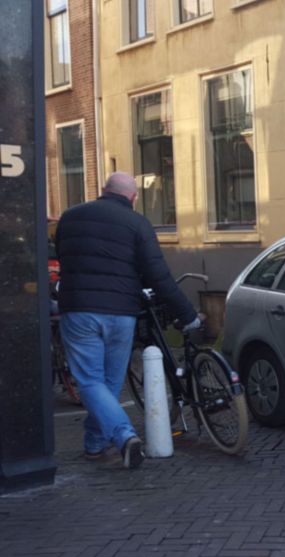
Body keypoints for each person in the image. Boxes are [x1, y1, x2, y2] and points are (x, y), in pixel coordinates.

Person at [56, 173, 200, 469]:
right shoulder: (137, 223)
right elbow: (158, 276)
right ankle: (105, 441)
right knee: (109, 381)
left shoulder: (69, 218)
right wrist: (186, 314)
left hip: (80, 310)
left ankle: (113, 439)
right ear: (133, 198)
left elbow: (62, 256)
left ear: (103, 191)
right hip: (121, 314)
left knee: (91, 381)